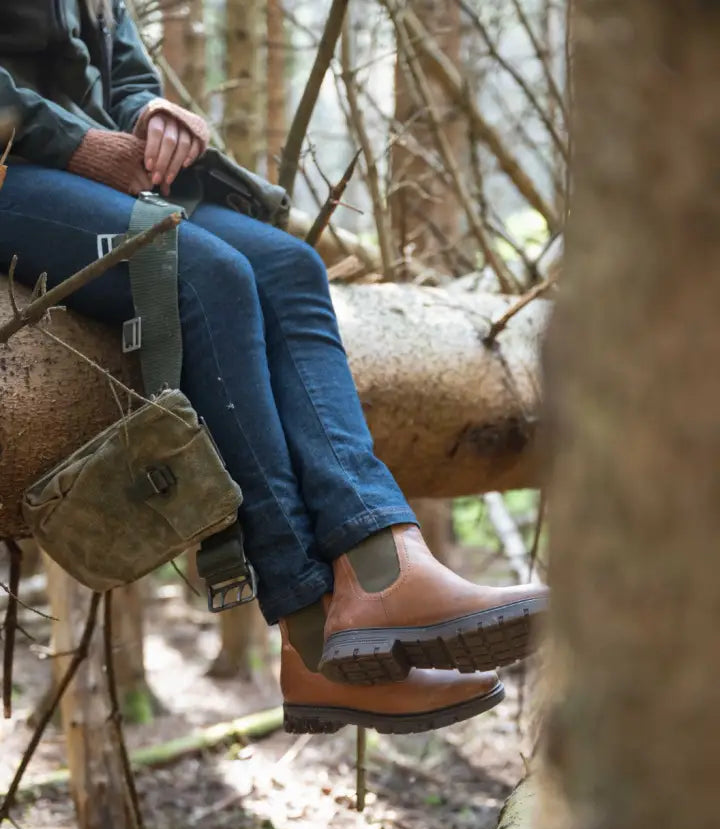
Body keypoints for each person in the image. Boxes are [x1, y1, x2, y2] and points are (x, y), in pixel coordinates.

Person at [0, 0, 548, 735]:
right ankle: (310, 631)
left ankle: (379, 560)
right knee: (207, 275)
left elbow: (122, 67)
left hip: (94, 168)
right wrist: (76, 144)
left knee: (290, 266)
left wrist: (150, 116)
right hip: (16, 168)